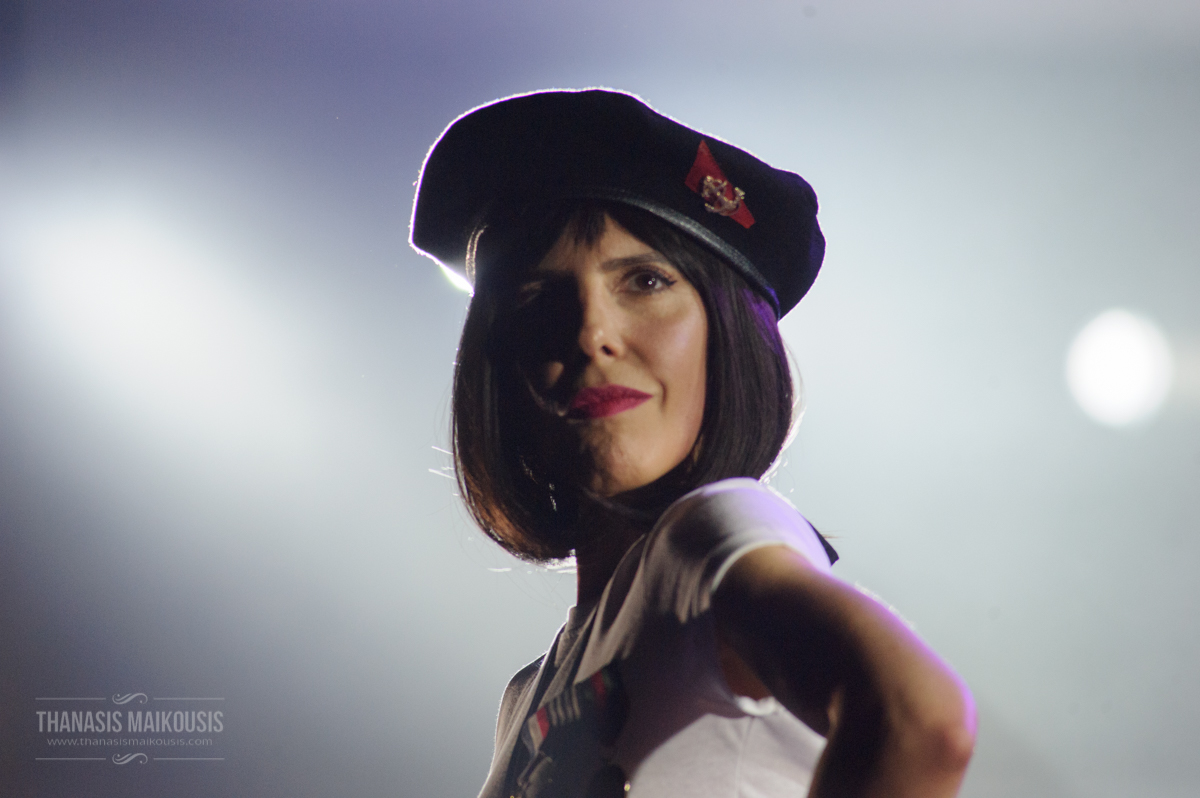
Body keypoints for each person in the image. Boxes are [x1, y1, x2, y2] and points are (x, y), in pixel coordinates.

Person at [410, 89, 976, 798]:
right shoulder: (527, 697)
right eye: (536, 295)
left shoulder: (709, 538)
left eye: (645, 281)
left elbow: (920, 720)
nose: (592, 332)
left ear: (728, 333)